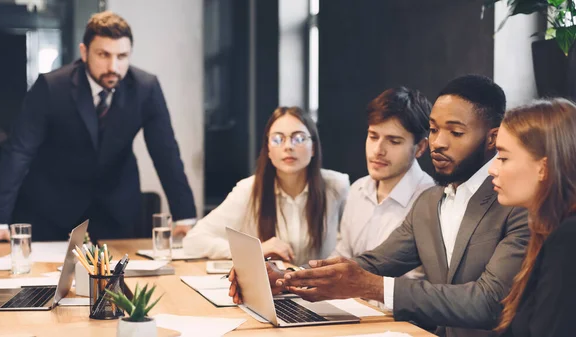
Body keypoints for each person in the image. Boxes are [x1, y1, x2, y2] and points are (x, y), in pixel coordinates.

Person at [232, 75, 530, 337]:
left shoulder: (517, 203)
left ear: (492, 138)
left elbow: (489, 304)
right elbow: (369, 264)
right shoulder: (430, 203)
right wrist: (285, 280)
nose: (438, 142)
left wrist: (373, 286)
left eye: (455, 132)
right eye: (434, 129)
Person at [0, 11, 196, 241]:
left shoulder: (146, 88)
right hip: (53, 209)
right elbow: (19, 152)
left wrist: (185, 216)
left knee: (116, 276)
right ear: (84, 52)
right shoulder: (50, 87)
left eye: (122, 56)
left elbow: (165, 153)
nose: (113, 66)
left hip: (115, 210)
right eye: (103, 54)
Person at [184, 106, 349, 265]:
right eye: (278, 139)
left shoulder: (336, 186)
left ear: (313, 147)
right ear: (268, 149)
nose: (288, 146)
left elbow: (353, 246)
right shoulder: (248, 190)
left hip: (322, 291)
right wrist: (255, 250)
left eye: (298, 138)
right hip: (271, 290)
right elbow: (194, 241)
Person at [331, 87, 434, 288]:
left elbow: (416, 285)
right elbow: (343, 255)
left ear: (420, 147)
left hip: (396, 317)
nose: (378, 150)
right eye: (373, 136)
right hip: (350, 307)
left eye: (393, 141)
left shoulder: (429, 201)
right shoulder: (358, 189)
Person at [490, 98, 576, 337]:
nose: (492, 169)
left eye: (503, 158)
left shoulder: (569, 239)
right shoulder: (553, 229)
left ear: (543, 167)